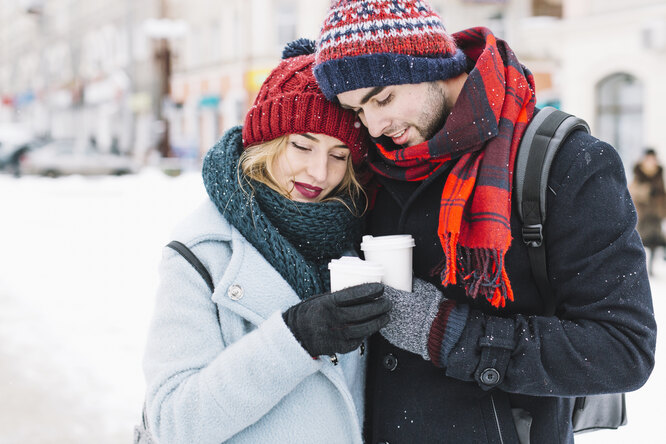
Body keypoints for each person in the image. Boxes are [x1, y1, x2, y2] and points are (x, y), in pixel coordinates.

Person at [312, 1, 657, 443]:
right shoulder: (369, 170)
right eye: (358, 111)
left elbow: (623, 349)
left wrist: (452, 334)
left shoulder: (567, 163)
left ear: (431, 64)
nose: (375, 126)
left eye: (383, 97)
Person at [141, 40, 391, 444]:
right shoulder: (202, 252)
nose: (319, 172)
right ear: (267, 143)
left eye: (339, 155)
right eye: (302, 145)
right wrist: (294, 338)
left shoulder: (353, 240)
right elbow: (173, 422)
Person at [630, 148, 666, 275]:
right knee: (641, 242)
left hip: (656, 214)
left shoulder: (659, 173)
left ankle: (650, 270)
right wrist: (648, 190)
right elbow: (632, 189)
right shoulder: (638, 172)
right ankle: (640, 269)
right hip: (643, 215)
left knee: (655, 243)